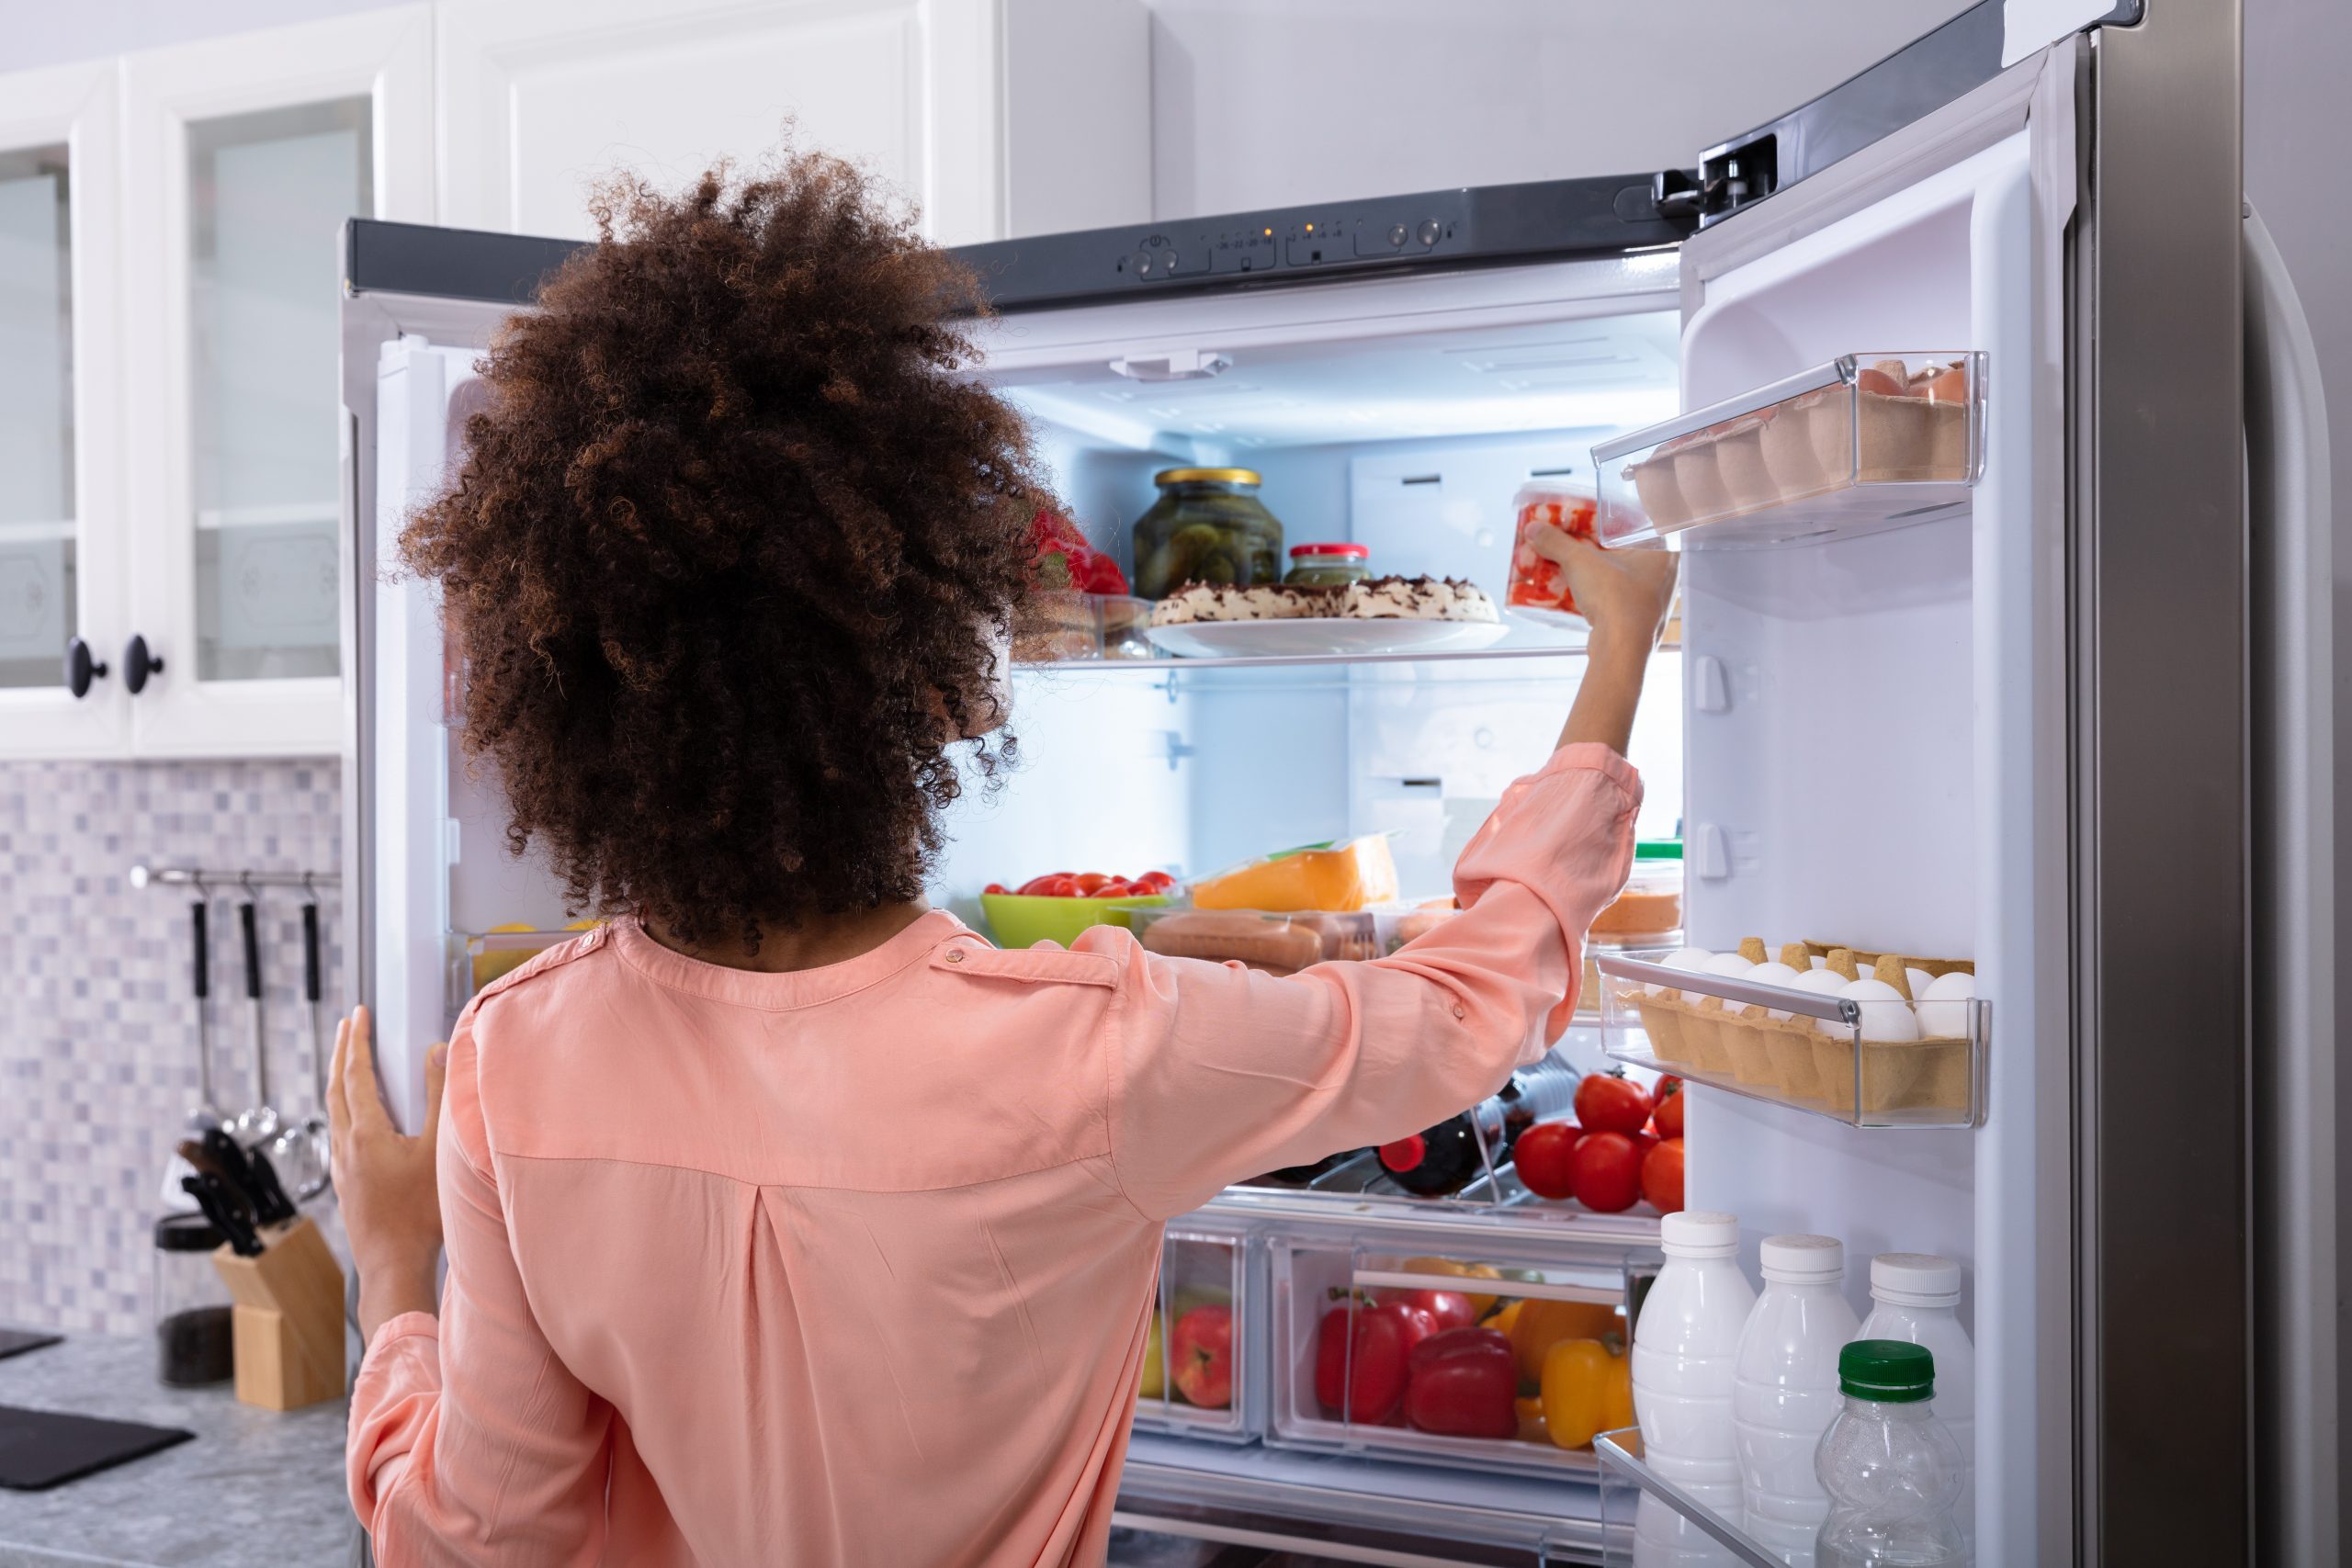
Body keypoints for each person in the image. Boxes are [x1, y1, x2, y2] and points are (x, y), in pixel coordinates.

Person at [330, 151, 1679, 1567]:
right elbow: (1466, 1017)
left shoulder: (513, 1059)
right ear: (938, 684)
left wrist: (392, 1273)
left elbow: (480, 1541)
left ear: (571, 696)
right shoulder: (1095, 1052)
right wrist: (1620, 649)